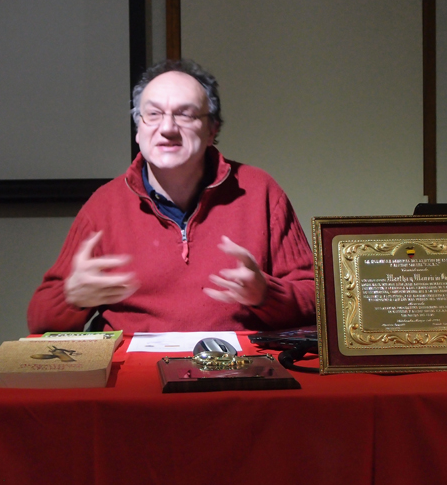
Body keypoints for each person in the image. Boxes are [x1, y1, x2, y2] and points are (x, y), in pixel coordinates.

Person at [27, 59, 316, 334]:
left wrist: (266, 294)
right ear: (138, 129)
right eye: (153, 114)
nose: (167, 129)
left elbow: (318, 302)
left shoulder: (260, 191)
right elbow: (39, 319)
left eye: (185, 114)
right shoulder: (104, 205)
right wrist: (72, 297)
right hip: (131, 366)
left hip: (238, 364)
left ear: (212, 129)